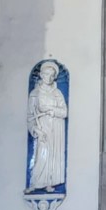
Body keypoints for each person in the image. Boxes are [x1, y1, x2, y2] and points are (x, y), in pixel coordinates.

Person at [26, 60, 68, 192]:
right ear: (41, 75)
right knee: (41, 154)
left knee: (53, 155)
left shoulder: (57, 93)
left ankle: (50, 182)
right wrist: (35, 129)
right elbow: (30, 116)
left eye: (51, 75)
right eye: (46, 74)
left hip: (56, 129)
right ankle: (36, 182)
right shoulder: (35, 93)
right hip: (42, 128)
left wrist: (51, 110)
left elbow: (64, 112)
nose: (48, 78)